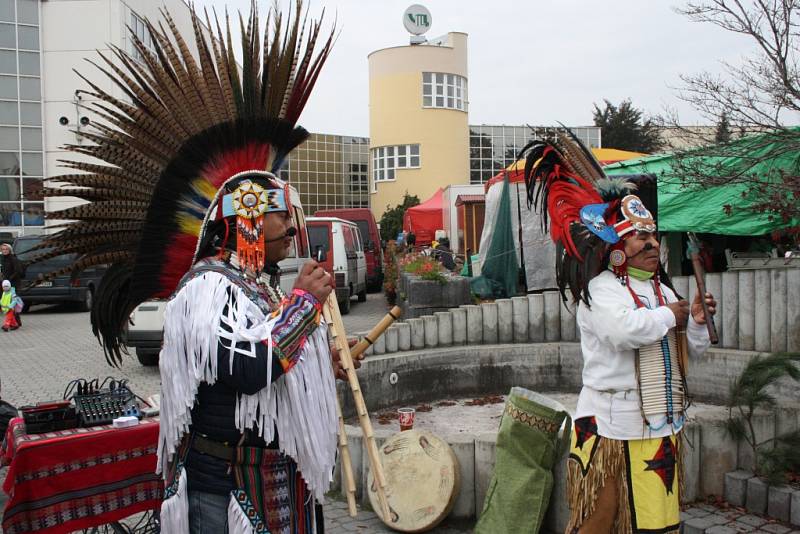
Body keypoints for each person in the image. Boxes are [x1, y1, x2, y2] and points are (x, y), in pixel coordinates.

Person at [25, 4, 342, 533]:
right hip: (229, 489)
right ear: (244, 221)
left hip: (273, 483)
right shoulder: (206, 288)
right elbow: (244, 367)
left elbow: (272, 365)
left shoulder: (254, 286)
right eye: (280, 216)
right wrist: (305, 307)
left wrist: (316, 361)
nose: (293, 227)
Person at [521, 137, 716, 534]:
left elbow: (689, 352)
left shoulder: (664, 291)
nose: (651, 243)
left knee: (655, 525)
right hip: (608, 427)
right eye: (639, 237)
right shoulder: (601, 289)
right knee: (598, 520)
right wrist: (670, 315)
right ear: (617, 246)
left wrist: (693, 322)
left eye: (653, 236)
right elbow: (622, 332)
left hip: (661, 426)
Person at [0, 243, 23, 325]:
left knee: (13, 303)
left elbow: (18, 271)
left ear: (10, 250)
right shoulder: (3, 259)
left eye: (6, 249)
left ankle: (13, 322)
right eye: (3, 249)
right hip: (6, 284)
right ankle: (15, 321)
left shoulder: (13, 259)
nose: (4, 251)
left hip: (14, 284)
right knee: (8, 303)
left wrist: (9, 279)